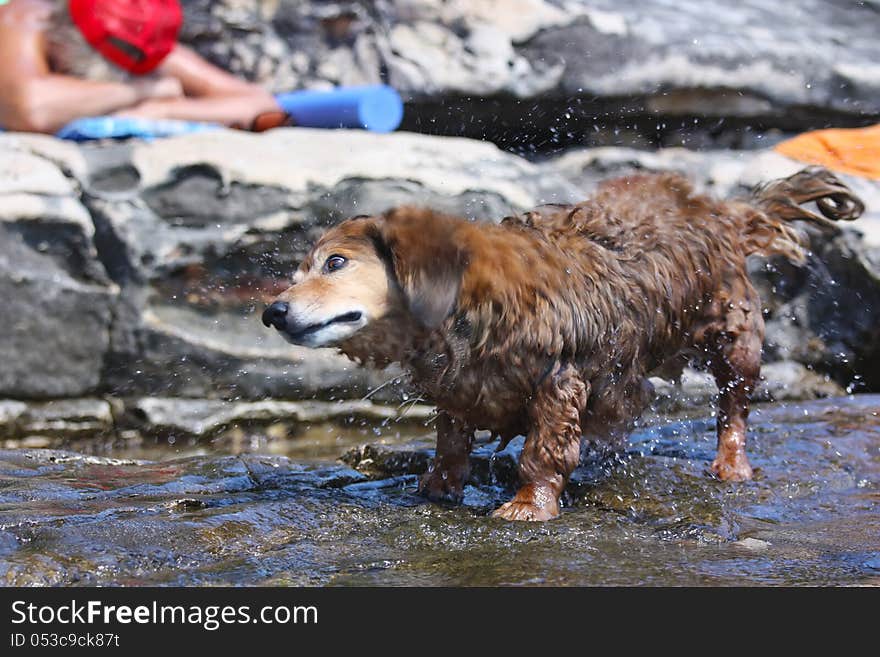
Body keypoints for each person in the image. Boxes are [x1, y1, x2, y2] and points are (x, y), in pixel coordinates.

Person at [0, 0, 282, 134]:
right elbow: (29, 111)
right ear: (69, 37)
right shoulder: (27, 19)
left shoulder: (139, 37)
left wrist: (163, 110)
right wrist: (141, 91)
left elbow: (259, 104)